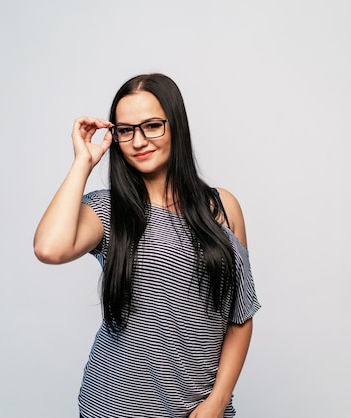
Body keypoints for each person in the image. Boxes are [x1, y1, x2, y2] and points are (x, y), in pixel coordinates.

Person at [33, 73, 260, 418]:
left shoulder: (223, 208)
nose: (138, 140)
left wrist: (217, 400)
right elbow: (49, 248)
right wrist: (83, 162)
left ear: (176, 127)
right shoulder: (108, 210)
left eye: (152, 125)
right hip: (113, 406)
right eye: (126, 130)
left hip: (200, 411)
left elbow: (240, 316)